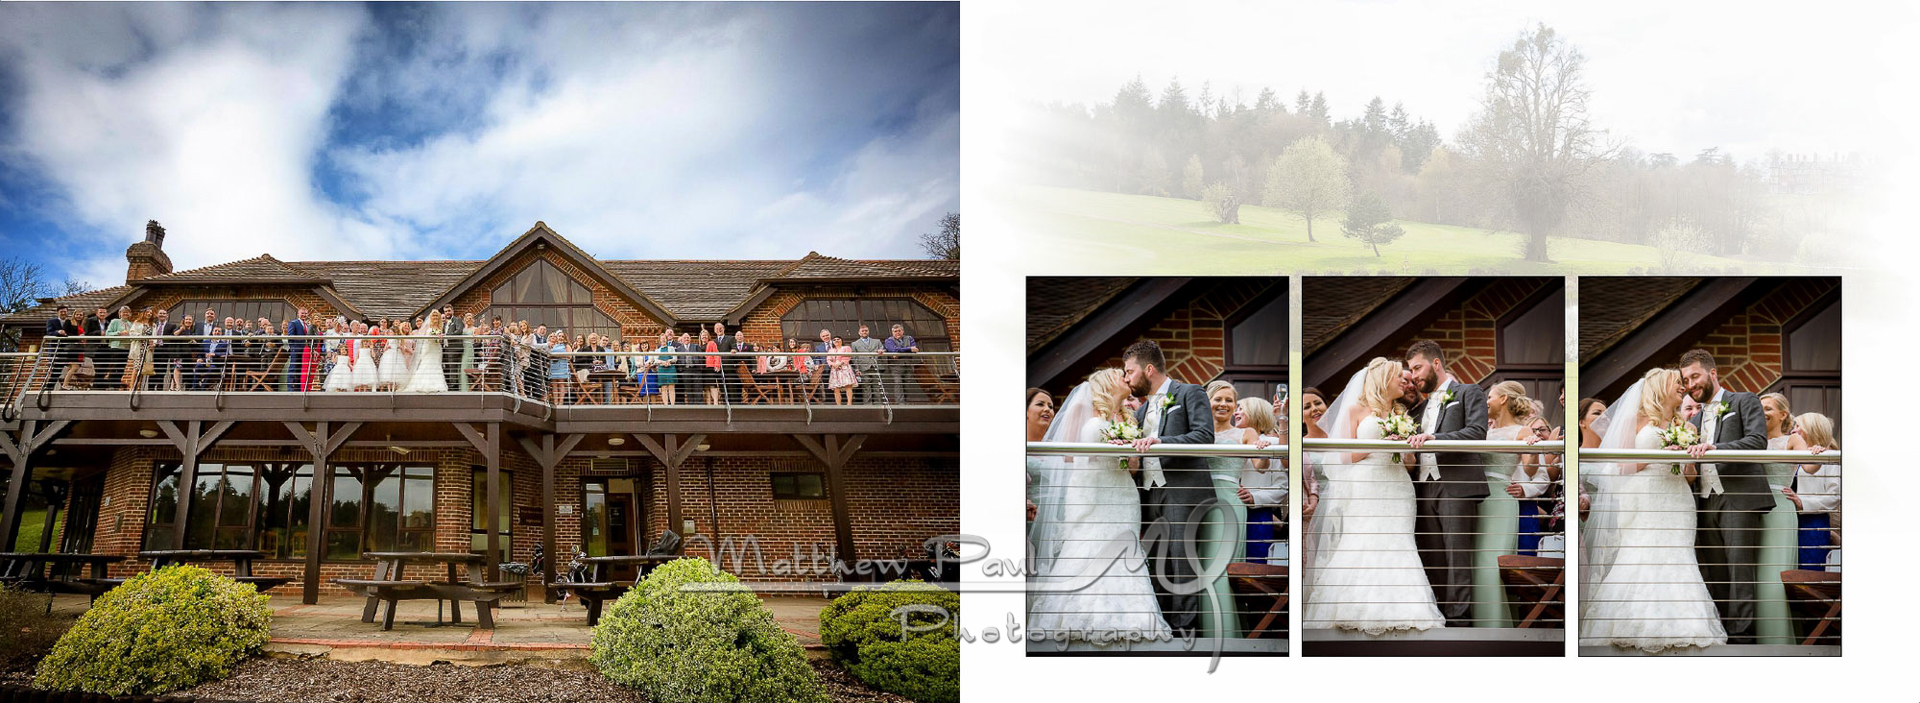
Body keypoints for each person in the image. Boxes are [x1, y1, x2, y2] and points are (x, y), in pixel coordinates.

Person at [1579, 367, 1726, 652]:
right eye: (1677, 384)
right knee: (1641, 553)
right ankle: (1630, 625)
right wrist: (1658, 454)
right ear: (1660, 386)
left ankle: (1686, 626)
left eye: (1684, 384)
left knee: (1678, 556)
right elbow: (1622, 467)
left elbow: (1690, 476)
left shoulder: (1687, 426)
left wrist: (1687, 459)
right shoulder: (1635, 421)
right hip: (1644, 496)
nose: (1683, 388)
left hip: (1678, 498)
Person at [1027, 369, 1171, 643]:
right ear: (1107, 382)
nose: (1127, 378)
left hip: (1123, 494)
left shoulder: (1127, 417)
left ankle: (1132, 619)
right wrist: (1104, 450)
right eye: (1121, 374)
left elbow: (1132, 469)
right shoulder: (1084, 409)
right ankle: (1077, 617)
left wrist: (1128, 456)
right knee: (1089, 547)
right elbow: (1067, 457)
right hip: (1092, 491)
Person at [1303, 357, 1445, 633]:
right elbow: (1342, 458)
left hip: (1398, 487)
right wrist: (1377, 446)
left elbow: (1410, 463)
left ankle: (1406, 611)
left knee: (1399, 543)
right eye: (1398, 378)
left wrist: (1405, 452)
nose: (1404, 382)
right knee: (1364, 541)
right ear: (1382, 379)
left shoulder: (1400, 413)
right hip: (1367, 485)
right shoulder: (1357, 410)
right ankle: (1354, 610)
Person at [1677, 348, 1771, 644]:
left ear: (1712, 373)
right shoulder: (1692, 420)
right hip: (1703, 501)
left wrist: (1717, 449)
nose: (1691, 384)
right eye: (1686, 379)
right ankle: (1722, 633)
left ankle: (1743, 639)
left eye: (1695, 376)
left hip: (1737, 496)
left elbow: (1758, 441)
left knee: (1740, 569)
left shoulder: (1744, 401)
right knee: (1714, 571)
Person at [1401, 339, 1489, 628]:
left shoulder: (1468, 392)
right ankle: (1438, 616)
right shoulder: (1417, 410)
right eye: (1410, 370)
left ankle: (1460, 621)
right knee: (1432, 553)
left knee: (1456, 554)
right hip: (1422, 488)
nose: (1413, 375)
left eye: (1417, 367)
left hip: (1455, 484)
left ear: (1436, 363)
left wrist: (1435, 438)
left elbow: (1476, 433)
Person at [1752, 392, 1807, 643]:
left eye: (1768, 408)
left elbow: (1811, 467)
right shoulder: (1753, 440)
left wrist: (1815, 450)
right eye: (1759, 407)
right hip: (1755, 511)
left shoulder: (1793, 440)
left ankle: (1776, 639)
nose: (1762, 411)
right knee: (1754, 574)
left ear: (1783, 414)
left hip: (1781, 509)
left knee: (1774, 575)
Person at [1232, 397, 1285, 564]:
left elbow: (1282, 487)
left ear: (1255, 412)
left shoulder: (1274, 444)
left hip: (1257, 515)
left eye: (1241, 408)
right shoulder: (1229, 442)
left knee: (1255, 567)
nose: (1235, 412)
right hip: (1229, 511)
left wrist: (1255, 498)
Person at [1787, 412, 1839, 572]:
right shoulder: (1791, 453)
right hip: (1788, 522)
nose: (1793, 431)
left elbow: (1836, 495)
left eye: (1798, 426)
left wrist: (1804, 503)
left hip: (1813, 524)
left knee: (1809, 572)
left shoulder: (1827, 456)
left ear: (1812, 429)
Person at [1023, 388, 1052, 526]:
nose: (1047, 409)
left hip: (1057, 516)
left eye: (1050, 406)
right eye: (1040, 404)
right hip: (1030, 517)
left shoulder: (1058, 447)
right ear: (1026, 411)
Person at [403, 310, 449, 393]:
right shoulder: (427, 325)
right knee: (427, 364)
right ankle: (423, 384)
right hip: (429, 348)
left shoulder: (440, 326)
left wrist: (439, 338)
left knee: (436, 365)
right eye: (434, 316)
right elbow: (423, 337)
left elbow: (440, 340)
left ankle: (437, 384)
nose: (435, 317)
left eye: (436, 316)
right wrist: (434, 336)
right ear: (431, 317)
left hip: (436, 348)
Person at [882, 323, 919, 403]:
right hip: (896, 366)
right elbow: (893, 350)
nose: (897, 333)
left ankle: (907, 401)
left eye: (899, 331)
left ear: (903, 331)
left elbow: (915, 348)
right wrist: (909, 349)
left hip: (908, 364)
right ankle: (900, 403)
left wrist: (900, 351)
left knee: (907, 384)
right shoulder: (889, 340)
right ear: (892, 333)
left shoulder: (909, 338)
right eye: (895, 331)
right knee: (898, 383)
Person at [849, 324, 884, 403]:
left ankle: (879, 404)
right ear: (859, 332)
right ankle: (868, 405)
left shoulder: (877, 341)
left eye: (866, 331)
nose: (864, 332)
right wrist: (857, 369)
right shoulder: (854, 344)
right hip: (863, 367)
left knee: (877, 387)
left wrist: (881, 350)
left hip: (875, 366)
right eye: (862, 331)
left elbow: (883, 349)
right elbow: (854, 358)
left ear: (868, 331)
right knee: (866, 387)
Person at [827, 336, 857, 405]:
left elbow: (847, 357)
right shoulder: (831, 350)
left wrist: (840, 364)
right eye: (834, 340)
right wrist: (833, 365)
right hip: (834, 369)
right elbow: (828, 359)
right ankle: (838, 405)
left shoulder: (846, 348)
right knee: (836, 388)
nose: (836, 340)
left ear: (841, 340)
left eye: (838, 339)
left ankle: (849, 403)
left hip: (844, 368)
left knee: (848, 385)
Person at [546, 331, 571, 404]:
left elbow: (569, 356)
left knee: (561, 383)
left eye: (562, 336)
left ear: (565, 338)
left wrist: (558, 355)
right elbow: (548, 354)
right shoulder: (554, 345)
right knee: (554, 384)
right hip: (554, 365)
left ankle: (561, 401)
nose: (561, 338)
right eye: (559, 336)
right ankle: (555, 401)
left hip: (562, 365)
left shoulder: (566, 346)